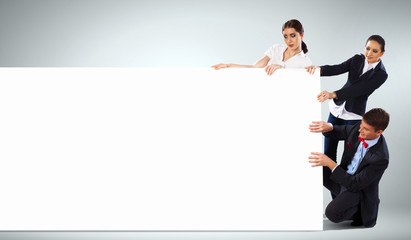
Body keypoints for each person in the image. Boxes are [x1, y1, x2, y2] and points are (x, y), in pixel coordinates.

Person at [306, 35, 387, 164]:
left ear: (382, 53)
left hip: (354, 116)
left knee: (348, 156)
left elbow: (359, 89)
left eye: (375, 51)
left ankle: (342, 184)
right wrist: (318, 70)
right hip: (337, 109)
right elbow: (338, 68)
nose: (369, 53)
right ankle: (327, 182)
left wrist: (333, 94)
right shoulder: (357, 59)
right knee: (328, 151)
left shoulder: (381, 75)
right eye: (368, 48)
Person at [308, 108, 390, 228]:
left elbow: (355, 184)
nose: (360, 130)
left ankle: (357, 212)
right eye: (361, 125)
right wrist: (329, 127)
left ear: (379, 132)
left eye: (365, 129)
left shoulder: (381, 158)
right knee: (315, 166)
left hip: (357, 190)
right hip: (343, 178)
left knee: (332, 214)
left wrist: (331, 164)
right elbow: (343, 130)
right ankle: (342, 198)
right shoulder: (360, 128)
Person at [211, 19, 312, 75]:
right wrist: (228, 65)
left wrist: (281, 71)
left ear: (301, 35)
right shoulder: (276, 49)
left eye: (293, 35)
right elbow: (254, 68)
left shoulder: (305, 62)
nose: (289, 40)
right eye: (285, 36)